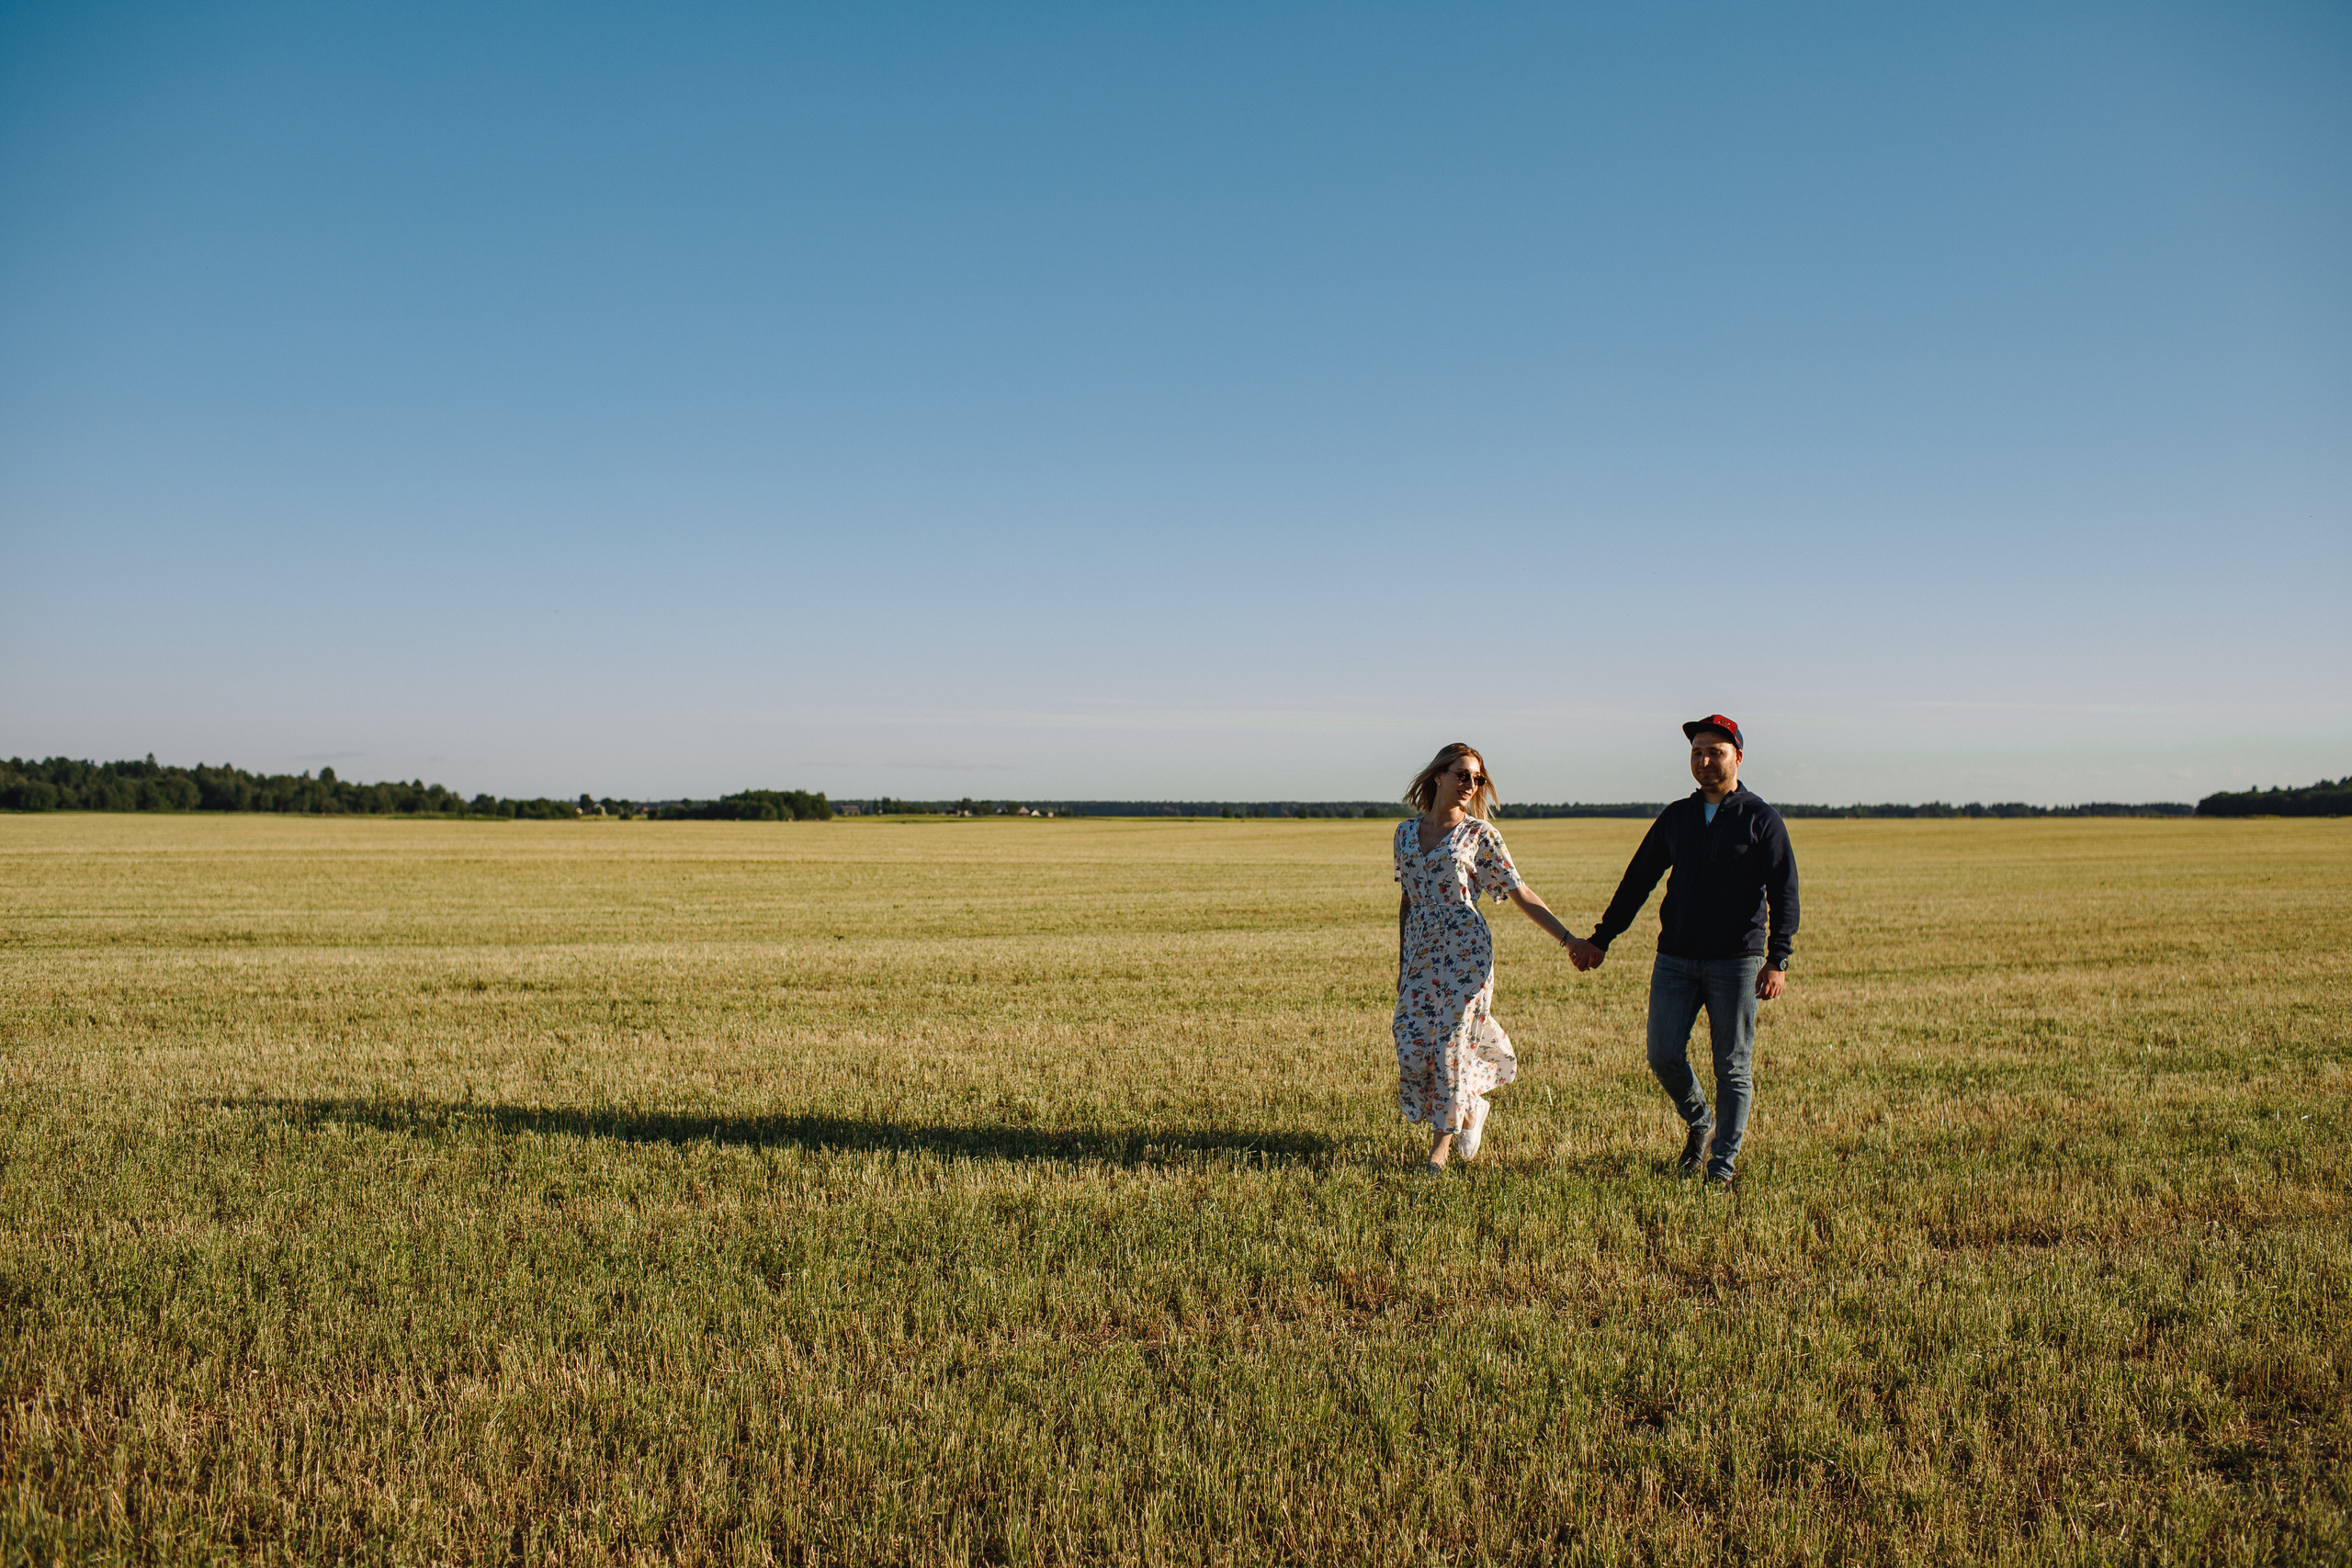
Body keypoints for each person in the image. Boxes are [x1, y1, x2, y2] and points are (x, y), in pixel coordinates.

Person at [1565, 715, 1799, 1188]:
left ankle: (1722, 1166)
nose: (1704, 760)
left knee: (1732, 1064)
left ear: (1737, 757)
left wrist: (1778, 959)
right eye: (1697, 752)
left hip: (1737, 961)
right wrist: (1602, 938)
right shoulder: (1678, 816)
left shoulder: (1761, 819)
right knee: (1663, 1053)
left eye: (1715, 751)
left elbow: (1785, 892)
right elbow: (1638, 882)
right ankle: (1700, 1120)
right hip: (1674, 959)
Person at [1395, 743, 1581, 1172]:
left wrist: (1568, 938)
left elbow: (1520, 893)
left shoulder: (1480, 835)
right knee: (1411, 1041)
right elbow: (1407, 901)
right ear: (1438, 776)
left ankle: (1438, 1153)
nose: (1470, 784)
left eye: (1477, 779)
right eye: (1462, 774)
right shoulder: (1404, 833)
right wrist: (1402, 962)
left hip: (1466, 951)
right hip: (1421, 951)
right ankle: (1472, 1105)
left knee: (1449, 1045)